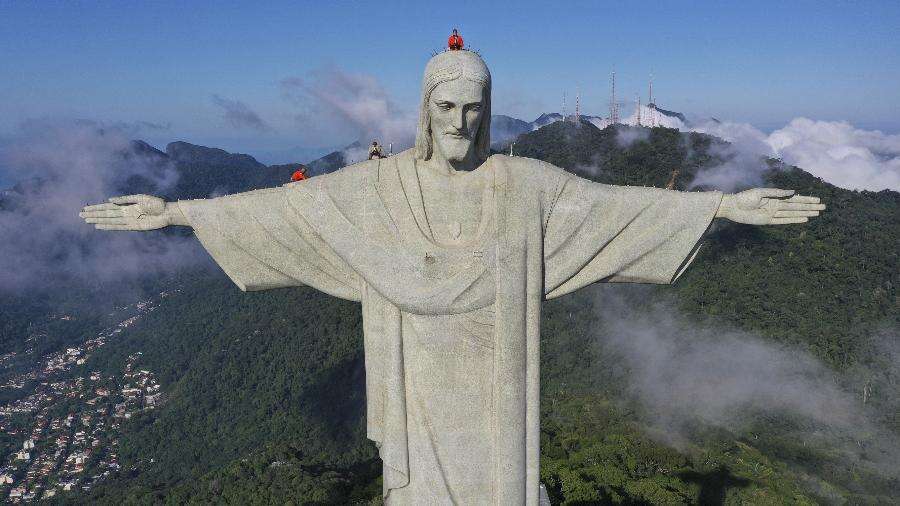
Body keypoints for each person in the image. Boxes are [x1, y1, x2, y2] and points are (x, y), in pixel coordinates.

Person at [80, 46, 824, 505]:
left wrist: (725, 203)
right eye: (446, 107)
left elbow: (614, 210)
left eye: (474, 108)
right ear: (424, 111)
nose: (460, 123)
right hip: (417, 377)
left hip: (498, 375)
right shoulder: (379, 188)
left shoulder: (525, 184)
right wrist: (176, 210)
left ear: (489, 110)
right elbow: (285, 211)